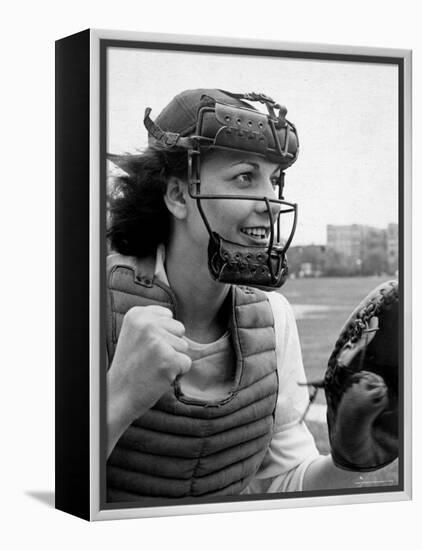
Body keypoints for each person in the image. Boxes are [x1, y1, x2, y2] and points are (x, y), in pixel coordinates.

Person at [105, 89, 388, 503]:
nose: (271, 204)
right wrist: (120, 395)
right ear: (178, 195)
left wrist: (352, 457)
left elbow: (282, 482)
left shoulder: (273, 317)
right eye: (244, 177)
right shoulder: (90, 305)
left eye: (273, 180)